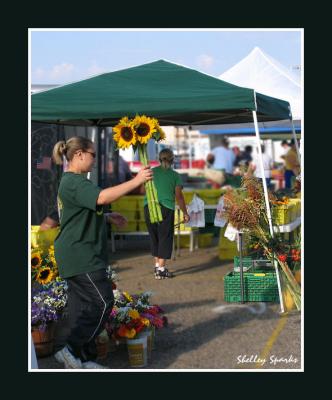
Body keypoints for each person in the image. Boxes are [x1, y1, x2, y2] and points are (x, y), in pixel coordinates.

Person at [51, 136, 152, 369]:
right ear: (79, 155)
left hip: (78, 252)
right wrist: (135, 180)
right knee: (104, 302)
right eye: (93, 154)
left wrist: (106, 217)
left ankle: (81, 360)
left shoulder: (72, 182)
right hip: (81, 253)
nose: (95, 160)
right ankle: (70, 350)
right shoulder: (75, 181)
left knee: (83, 308)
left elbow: (78, 213)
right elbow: (101, 197)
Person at [144, 148, 190, 279]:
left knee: (155, 237)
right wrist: (185, 213)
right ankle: (161, 269)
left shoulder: (151, 172)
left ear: (159, 159)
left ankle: (157, 267)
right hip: (166, 208)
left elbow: (143, 189)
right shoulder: (175, 175)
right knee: (165, 237)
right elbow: (179, 197)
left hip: (149, 206)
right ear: (172, 160)